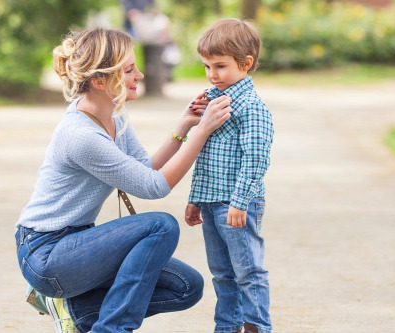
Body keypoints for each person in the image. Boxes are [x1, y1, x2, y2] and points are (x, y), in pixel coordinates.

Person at [15, 27, 233, 333]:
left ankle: (75, 309)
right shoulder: (80, 135)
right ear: (100, 80)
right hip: (47, 254)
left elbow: (144, 169)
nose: (140, 76)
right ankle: (111, 329)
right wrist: (202, 132)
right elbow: (154, 187)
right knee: (161, 225)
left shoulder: (114, 117)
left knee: (186, 287)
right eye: (129, 70)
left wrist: (183, 129)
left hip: (79, 243)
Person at [184, 18, 274, 333]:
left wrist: (240, 202)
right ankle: (227, 327)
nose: (212, 74)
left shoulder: (252, 108)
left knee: (248, 271)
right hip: (211, 203)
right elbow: (205, 156)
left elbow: (256, 159)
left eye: (220, 66)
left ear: (245, 64)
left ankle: (256, 327)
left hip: (237, 205)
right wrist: (196, 199)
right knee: (222, 272)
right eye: (207, 66)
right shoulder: (213, 102)